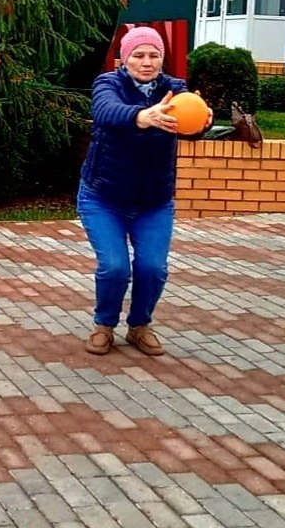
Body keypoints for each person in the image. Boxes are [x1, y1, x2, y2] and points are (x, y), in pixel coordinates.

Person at [78, 26, 211, 357]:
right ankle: (104, 325)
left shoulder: (176, 89)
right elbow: (105, 112)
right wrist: (143, 115)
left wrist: (203, 121)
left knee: (153, 267)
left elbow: (188, 125)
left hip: (154, 200)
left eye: (154, 55)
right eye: (139, 55)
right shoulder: (108, 83)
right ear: (124, 59)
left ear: (162, 59)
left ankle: (139, 326)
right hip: (103, 197)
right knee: (115, 267)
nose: (147, 62)